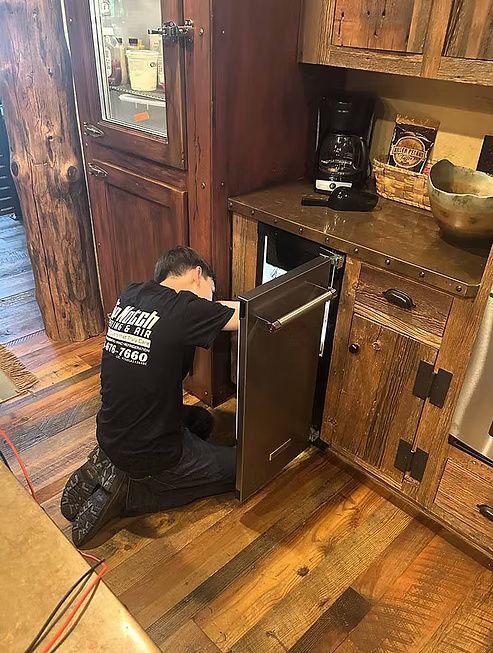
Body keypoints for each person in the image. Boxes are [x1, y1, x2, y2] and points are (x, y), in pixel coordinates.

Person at [61, 246, 239, 547]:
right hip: (153, 455)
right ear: (198, 275)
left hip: (111, 431)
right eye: (212, 290)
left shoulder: (130, 295)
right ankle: (133, 491)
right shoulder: (184, 308)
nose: (211, 300)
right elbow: (247, 314)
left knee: (200, 420)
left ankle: (109, 462)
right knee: (242, 466)